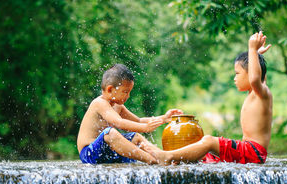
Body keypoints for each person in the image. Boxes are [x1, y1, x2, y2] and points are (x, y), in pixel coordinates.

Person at [143, 31, 272, 165]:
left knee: (209, 141)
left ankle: (167, 156)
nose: (235, 78)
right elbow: (258, 74)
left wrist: (252, 49)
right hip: (248, 151)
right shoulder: (256, 92)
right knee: (205, 156)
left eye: (237, 74)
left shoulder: (261, 92)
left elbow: (256, 77)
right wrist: (256, 55)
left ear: (250, 73)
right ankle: (176, 158)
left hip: (252, 152)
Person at [77, 64, 183, 164]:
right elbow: (119, 123)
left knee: (135, 136)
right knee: (110, 133)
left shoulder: (118, 106)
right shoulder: (99, 103)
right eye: (125, 92)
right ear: (110, 89)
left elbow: (138, 121)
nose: (128, 96)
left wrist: (164, 118)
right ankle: (151, 159)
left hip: (107, 153)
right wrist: (145, 128)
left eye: (129, 92)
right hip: (89, 153)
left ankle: (162, 156)